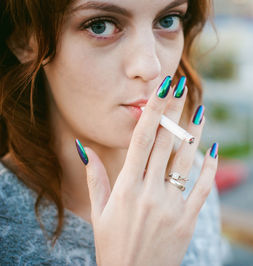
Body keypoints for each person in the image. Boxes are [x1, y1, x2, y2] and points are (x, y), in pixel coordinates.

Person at [0, 0, 223, 265]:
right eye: (101, 25)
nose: (150, 67)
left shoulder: (190, 178)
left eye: (168, 21)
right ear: (26, 41)